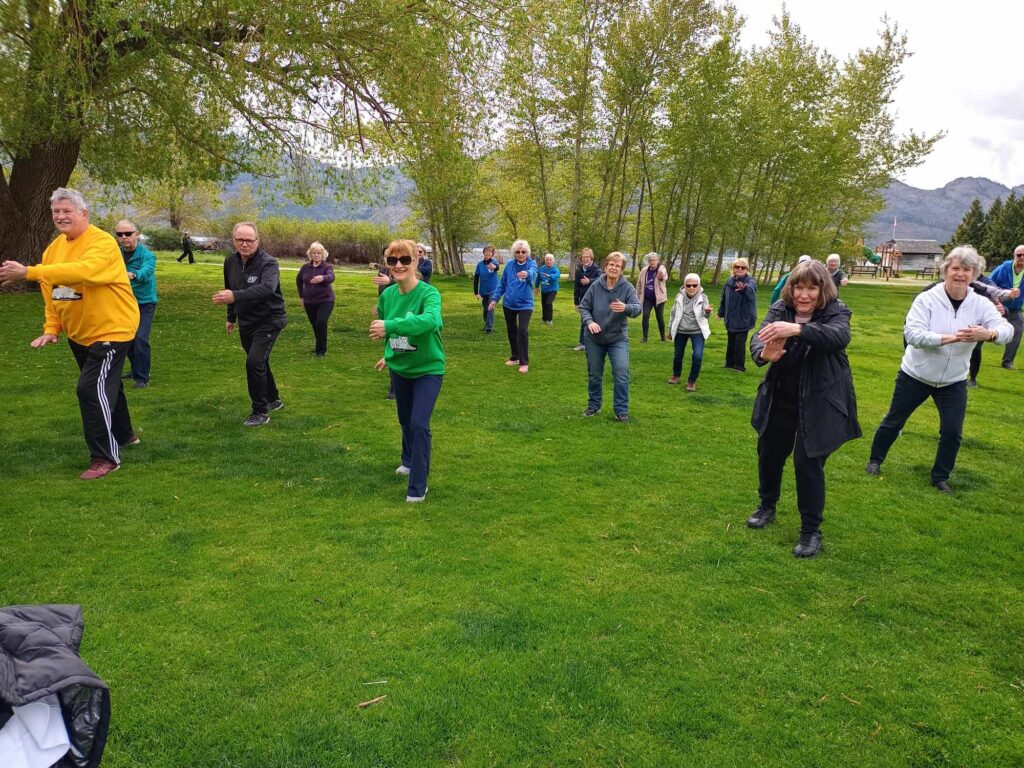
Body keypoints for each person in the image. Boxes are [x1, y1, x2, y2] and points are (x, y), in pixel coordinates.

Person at [0, 188, 140, 479]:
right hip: (80, 333)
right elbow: (53, 294)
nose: (61, 216)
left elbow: (84, 272)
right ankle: (125, 435)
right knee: (106, 385)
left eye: (67, 211)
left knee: (90, 389)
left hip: (112, 329)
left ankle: (105, 458)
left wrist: (29, 272)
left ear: (84, 214)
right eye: (56, 212)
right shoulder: (53, 250)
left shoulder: (102, 243)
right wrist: (52, 328)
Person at [866, 246, 1012, 493]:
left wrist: (989, 333)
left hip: (953, 380)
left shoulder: (981, 304)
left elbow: (1006, 330)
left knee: (952, 432)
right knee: (894, 420)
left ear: (974, 273)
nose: (960, 274)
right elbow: (912, 334)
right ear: (946, 270)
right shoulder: (928, 298)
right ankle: (875, 461)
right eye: (955, 268)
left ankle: (940, 476)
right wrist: (949, 338)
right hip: (916, 374)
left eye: (967, 269)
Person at [747, 260, 861, 558]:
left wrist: (798, 329)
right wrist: (765, 353)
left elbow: (839, 337)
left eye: (811, 288)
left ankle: (811, 531)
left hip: (820, 399)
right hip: (782, 395)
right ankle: (766, 506)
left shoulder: (835, 309)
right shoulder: (779, 309)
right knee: (769, 453)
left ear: (823, 289)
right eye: (799, 287)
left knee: (808, 464)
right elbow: (757, 342)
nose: (804, 294)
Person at [370, 239, 445, 502]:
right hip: (400, 368)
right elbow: (390, 332)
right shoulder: (388, 296)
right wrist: (387, 356)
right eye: (392, 261)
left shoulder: (428, 294)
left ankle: (418, 486)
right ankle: (408, 460)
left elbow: (430, 321)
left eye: (404, 260)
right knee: (404, 419)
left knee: (419, 423)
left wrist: (392, 326)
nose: (398, 265)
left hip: (428, 369)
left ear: (415, 262)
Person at [212, 222, 287, 427]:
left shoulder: (268, 263)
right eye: (240, 240)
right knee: (259, 361)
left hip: (270, 320)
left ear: (257, 241)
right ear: (234, 241)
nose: (245, 244)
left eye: (249, 240)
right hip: (247, 321)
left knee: (254, 362)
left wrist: (234, 296)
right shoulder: (230, 262)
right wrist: (231, 317)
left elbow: (267, 289)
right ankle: (273, 399)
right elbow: (230, 290)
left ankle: (260, 412)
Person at [579, 252, 642, 421]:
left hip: (618, 338)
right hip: (594, 338)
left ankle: (621, 411)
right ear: (605, 267)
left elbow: (637, 308)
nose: (614, 268)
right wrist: (589, 321)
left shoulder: (627, 287)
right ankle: (594, 406)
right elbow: (584, 307)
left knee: (621, 372)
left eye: (618, 266)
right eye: (611, 265)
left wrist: (626, 308)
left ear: (622, 270)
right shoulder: (595, 286)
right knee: (594, 373)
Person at [114, 219, 157, 388]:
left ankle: (142, 378)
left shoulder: (147, 255)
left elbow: (146, 272)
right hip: (124, 302)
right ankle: (135, 369)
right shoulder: (116, 253)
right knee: (128, 337)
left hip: (145, 302)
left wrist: (132, 275)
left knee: (140, 338)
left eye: (128, 233)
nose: (124, 237)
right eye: (120, 234)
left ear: (136, 234)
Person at [489, 239, 537, 373]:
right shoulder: (510, 265)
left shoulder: (531, 264)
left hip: (525, 304)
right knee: (511, 330)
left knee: (522, 330)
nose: (521, 254)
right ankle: (515, 356)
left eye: (523, 252)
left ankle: (524, 362)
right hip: (509, 303)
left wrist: (527, 274)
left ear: (527, 253)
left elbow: (533, 273)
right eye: (518, 252)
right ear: (514, 253)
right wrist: (494, 300)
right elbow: (502, 283)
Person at [668, 273, 712, 391]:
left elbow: (706, 315)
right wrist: (670, 330)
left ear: (698, 286)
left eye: (694, 285)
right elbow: (672, 314)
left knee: (697, 356)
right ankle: (676, 375)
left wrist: (707, 312)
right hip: (681, 330)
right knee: (678, 355)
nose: (691, 288)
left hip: (697, 331)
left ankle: (692, 381)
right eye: (689, 285)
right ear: (684, 286)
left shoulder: (703, 298)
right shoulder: (679, 297)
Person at [987, 244, 1024, 369]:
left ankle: (1007, 362)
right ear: (1014, 256)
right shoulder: (1003, 268)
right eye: (1019, 255)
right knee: (980, 333)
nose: (1022, 257)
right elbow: (988, 285)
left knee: (1018, 330)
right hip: (997, 307)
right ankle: (971, 358)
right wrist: (1002, 295)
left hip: (1015, 310)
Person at [296, 241, 335, 358]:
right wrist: (301, 296)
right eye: (314, 253)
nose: (317, 255)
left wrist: (322, 278)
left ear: (323, 255)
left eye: (319, 253)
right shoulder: (305, 268)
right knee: (315, 324)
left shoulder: (327, 267)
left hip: (325, 300)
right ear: (311, 254)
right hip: (309, 302)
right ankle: (319, 346)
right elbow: (299, 280)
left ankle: (321, 351)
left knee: (321, 322)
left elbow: (331, 277)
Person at [718, 257, 757, 371]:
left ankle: (739, 366)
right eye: (737, 267)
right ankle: (729, 363)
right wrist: (721, 313)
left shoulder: (750, 281)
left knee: (739, 342)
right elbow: (724, 298)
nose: (740, 269)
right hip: (731, 317)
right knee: (731, 341)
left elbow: (751, 291)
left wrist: (744, 289)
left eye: (743, 267)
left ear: (746, 269)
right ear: (733, 268)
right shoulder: (729, 282)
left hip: (744, 318)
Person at [373, 252, 398, 400]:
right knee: (393, 345)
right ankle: (394, 386)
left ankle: (398, 387)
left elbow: (409, 284)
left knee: (403, 346)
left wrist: (390, 281)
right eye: (389, 258)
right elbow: (382, 292)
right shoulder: (382, 271)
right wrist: (380, 305)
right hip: (389, 313)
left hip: (404, 315)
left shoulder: (424, 289)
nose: (397, 263)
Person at [573, 247, 602, 351]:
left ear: (591, 257)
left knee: (595, 320)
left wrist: (589, 281)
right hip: (584, 300)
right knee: (584, 320)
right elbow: (576, 286)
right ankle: (582, 343)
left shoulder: (597, 269)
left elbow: (600, 280)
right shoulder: (579, 270)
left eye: (587, 257)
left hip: (596, 299)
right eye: (583, 257)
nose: (585, 259)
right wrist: (576, 302)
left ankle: (596, 342)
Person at [636, 252, 668, 342]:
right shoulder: (644, 270)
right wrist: (637, 293)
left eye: (654, 260)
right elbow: (639, 283)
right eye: (650, 260)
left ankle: (663, 336)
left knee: (659, 317)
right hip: (647, 298)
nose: (652, 262)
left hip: (659, 298)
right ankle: (645, 337)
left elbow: (665, 276)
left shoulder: (661, 268)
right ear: (648, 261)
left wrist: (661, 277)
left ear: (657, 261)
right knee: (645, 316)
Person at [473, 245, 500, 333]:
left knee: (490, 307)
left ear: (492, 254)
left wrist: (494, 267)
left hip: (493, 290)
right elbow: (476, 278)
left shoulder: (494, 261)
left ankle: (489, 328)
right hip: (483, 290)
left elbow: (497, 267)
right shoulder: (480, 264)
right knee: (485, 309)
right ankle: (487, 324)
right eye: (486, 251)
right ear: (483, 252)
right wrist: (476, 292)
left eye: (490, 252)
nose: (488, 253)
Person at [536, 253, 561, 325]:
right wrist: (536, 287)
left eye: (550, 260)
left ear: (553, 261)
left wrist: (550, 276)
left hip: (553, 289)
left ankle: (549, 319)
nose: (549, 261)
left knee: (548, 303)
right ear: (545, 261)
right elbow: (538, 278)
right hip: (544, 290)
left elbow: (557, 276)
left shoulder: (555, 269)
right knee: (544, 304)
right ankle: (544, 318)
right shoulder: (541, 268)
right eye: (547, 260)